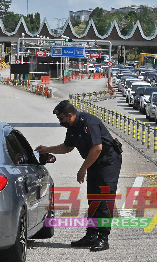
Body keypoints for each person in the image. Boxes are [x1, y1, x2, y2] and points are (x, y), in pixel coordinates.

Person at [35, 100, 122, 252]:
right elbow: (67, 147)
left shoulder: (89, 122)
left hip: (108, 162)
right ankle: (91, 235)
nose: (60, 122)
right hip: (94, 162)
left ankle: (103, 238)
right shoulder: (72, 127)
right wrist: (46, 149)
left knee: (103, 199)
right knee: (93, 198)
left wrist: (83, 169)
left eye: (61, 118)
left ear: (70, 115)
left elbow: (97, 148)